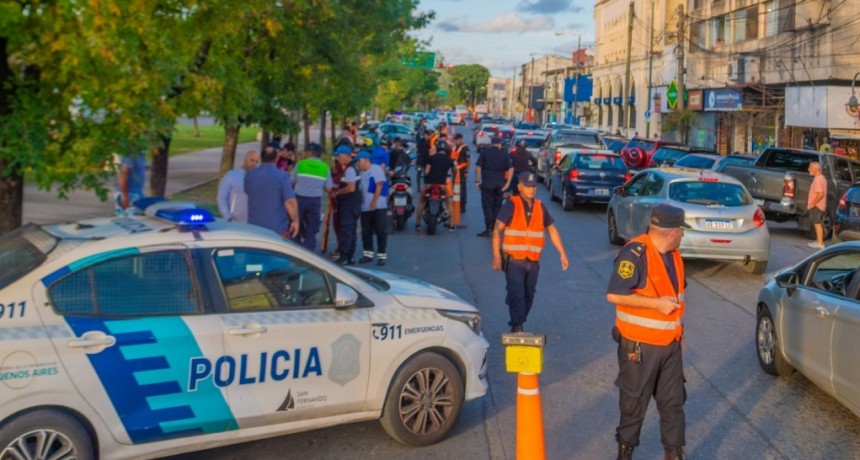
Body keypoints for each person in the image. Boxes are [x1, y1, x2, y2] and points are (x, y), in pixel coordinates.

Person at [605, 204, 690, 460]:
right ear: (673, 232)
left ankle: (673, 454)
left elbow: (677, 301)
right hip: (639, 346)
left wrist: (681, 335)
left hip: (671, 344)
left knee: (673, 403)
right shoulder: (635, 253)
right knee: (634, 402)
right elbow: (614, 294)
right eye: (682, 231)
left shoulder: (674, 256)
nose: (683, 236)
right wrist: (656, 304)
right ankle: (625, 453)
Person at [492, 172, 569, 332]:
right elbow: (497, 229)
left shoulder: (540, 207)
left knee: (528, 296)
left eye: (534, 186)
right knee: (518, 294)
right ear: (519, 187)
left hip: (533, 261)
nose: (531, 190)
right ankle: (517, 325)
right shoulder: (511, 204)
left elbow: (552, 230)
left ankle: (518, 318)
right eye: (528, 186)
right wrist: (496, 255)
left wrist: (562, 253)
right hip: (514, 261)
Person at [244, 145, 300, 238]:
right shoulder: (282, 176)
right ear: (277, 158)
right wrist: (295, 220)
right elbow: (290, 202)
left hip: (253, 228)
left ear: (261, 158)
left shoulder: (249, 176)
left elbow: (247, 192)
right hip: (276, 229)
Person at [293, 143, 334, 252]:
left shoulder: (300, 164)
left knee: (296, 224)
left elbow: (291, 181)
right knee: (312, 228)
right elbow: (329, 188)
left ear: (310, 153)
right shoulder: (325, 167)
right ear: (319, 155)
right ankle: (308, 252)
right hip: (314, 202)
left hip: (299, 200)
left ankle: (295, 249)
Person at [475, 136, 514, 237]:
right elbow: (511, 168)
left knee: (487, 205)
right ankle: (495, 228)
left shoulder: (485, 153)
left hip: (487, 183)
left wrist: (477, 181)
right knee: (498, 205)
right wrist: (508, 183)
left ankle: (488, 228)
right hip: (500, 184)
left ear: (491, 143)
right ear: (500, 144)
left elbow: (478, 167)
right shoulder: (504, 154)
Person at [357, 151, 390, 265]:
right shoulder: (361, 173)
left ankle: (382, 255)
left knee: (380, 230)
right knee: (366, 231)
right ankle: (368, 254)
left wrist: (374, 201)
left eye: (359, 161)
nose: (358, 163)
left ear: (366, 160)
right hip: (365, 207)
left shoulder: (375, 169)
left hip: (378, 206)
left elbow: (379, 184)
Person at [332, 147, 362, 265]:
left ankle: (345, 256)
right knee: (351, 230)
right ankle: (350, 257)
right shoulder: (354, 167)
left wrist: (338, 192)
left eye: (338, 156)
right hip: (354, 204)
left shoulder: (350, 169)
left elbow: (351, 188)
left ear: (345, 155)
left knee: (346, 230)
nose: (337, 159)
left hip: (349, 205)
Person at [416, 142, 455, 231]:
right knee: (448, 202)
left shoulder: (431, 158)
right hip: (442, 186)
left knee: (421, 201)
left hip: (428, 185)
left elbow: (426, 171)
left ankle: (418, 224)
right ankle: (451, 225)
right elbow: (454, 170)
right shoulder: (449, 160)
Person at [216, 150, 260, 222]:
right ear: (245, 159)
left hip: (254, 223)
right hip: (234, 222)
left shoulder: (259, 178)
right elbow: (221, 197)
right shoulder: (231, 175)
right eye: (252, 160)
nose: (254, 164)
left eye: (256, 162)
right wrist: (227, 217)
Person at [115, 150, 147, 216]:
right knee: (130, 222)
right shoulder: (130, 155)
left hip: (136, 193)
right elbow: (123, 174)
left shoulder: (139, 154)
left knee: (138, 220)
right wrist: (125, 196)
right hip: (130, 194)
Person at [807, 161, 827, 249]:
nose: (808, 169)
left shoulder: (818, 179)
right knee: (818, 223)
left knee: (817, 223)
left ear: (815, 169)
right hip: (820, 206)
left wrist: (812, 203)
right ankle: (819, 241)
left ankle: (820, 243)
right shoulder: (821, 178)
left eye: (810, 168)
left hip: (817, 206)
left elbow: (820, 194)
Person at [451, 133, 471, 210]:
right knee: (455, 188)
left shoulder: (465, 148)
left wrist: (466, 171)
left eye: (456, 139)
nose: (455, 141)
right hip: (455, 171)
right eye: (455, 139)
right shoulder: (454, 147)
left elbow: (468, 161)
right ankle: (455, 203)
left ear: (460, 139)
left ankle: (462, 205)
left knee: (462, 189)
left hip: (462, 171)